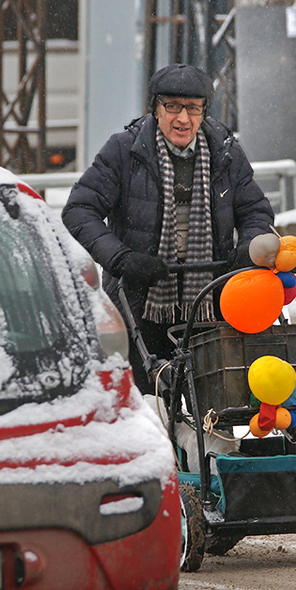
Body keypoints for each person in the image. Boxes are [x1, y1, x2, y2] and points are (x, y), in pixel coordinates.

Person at [62, 63, 275, 394]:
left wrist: (247, 249)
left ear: (204, 112)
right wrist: (121, 259)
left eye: (193, 108)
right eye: (172, 106)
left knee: (215, 403)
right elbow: (79, 210)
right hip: (139, 305)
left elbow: (255, 210)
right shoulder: (123, 150)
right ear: (155, 109)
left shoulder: (226, 152)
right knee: (149, 403)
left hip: (210, 302)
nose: (182, 118)